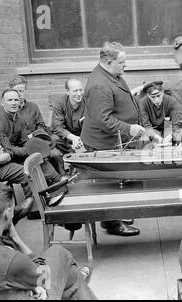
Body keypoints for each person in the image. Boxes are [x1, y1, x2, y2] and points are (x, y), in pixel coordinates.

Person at [80, 42, 146, 237]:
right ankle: (112, 223)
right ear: (108, 62)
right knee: (109, 183)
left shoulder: (110, 74)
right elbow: (103, 119)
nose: (125, 65)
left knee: (117, 179)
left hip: (111, 139)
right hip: (103, 141)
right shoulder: (100, 84)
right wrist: (130, 128)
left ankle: (115, 215)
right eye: (121, 62)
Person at [0, 181, 97, 300]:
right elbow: (44, 278)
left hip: (12, 290)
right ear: (7, 213)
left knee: (71, 276)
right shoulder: (11, 259)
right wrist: (16, 239)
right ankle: (72, 277)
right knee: (59, 253)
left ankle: (71, 277)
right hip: (33, 295)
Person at [0, 89, 61, 186]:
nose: (13, 103)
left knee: (38, 156)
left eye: (16, 100)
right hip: (6, 159)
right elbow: (6, 151)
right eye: (10, 100)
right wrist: (27, 151)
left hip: (17, 152)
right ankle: (49, 187)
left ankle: (57, 181)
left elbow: (24, 140)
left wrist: (32, 149)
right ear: (2, 103)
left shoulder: (18, 118)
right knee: (32, 159)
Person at [9, 76, 64, 175]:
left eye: (22, 91)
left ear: (25, 91)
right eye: (16, 91)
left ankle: (62, 178)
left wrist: (35, 136)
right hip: (21, 146)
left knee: (55, 155)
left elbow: (41, 125)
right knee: (35, 160)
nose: (19, 94)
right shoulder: (10, 110)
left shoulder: (33, 106)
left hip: (37, 140)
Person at [0, 127, 34, 224]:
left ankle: (31, 208)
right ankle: (8, 216)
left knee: (26, 172)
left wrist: (1, 156)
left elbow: (8, 154)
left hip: (2, 166)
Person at [51, 78, 85, 155]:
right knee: (54, 139)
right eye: (75, 91)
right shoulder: (60, 103)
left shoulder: (88, 102)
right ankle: (73, 153)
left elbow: (92, 125)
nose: (79, 94)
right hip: (66, 138)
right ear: (68, 91)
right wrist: (73, 138)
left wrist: (80, 140)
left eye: (81, 90)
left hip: (84, 138)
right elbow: (57, 127)